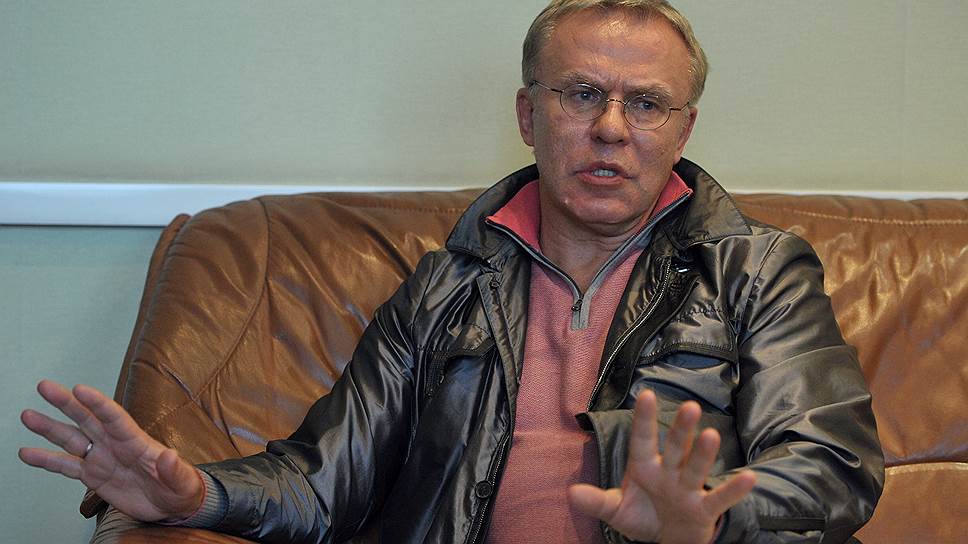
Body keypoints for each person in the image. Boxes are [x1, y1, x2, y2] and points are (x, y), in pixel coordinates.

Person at [19, 1, 884, 542]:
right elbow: (324, 484)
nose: (612, 127)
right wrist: (196, 494)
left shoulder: (755, 269)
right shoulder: (447, 284)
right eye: (581, 94)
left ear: (683, 130)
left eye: (647, 103)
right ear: (528, 114)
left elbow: (832, 468)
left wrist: (711, 517)